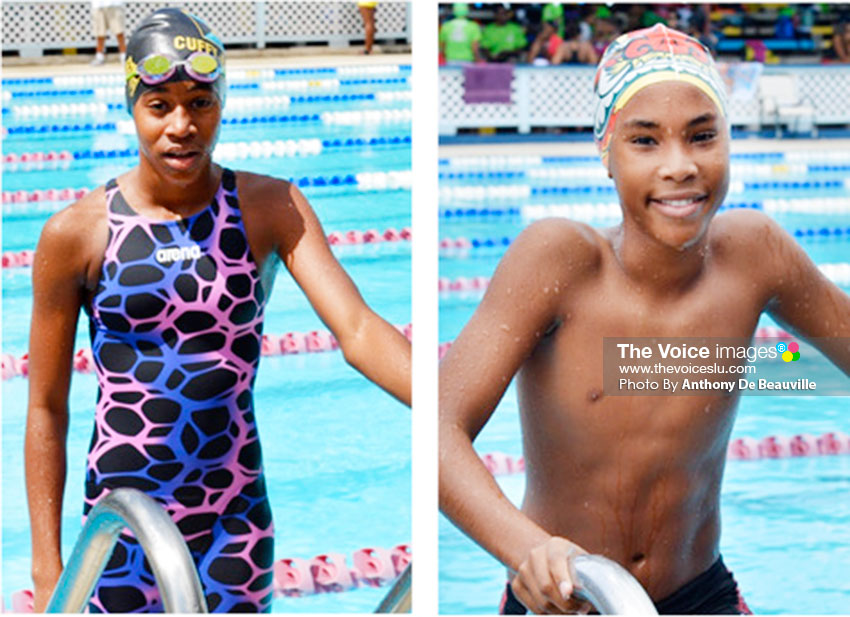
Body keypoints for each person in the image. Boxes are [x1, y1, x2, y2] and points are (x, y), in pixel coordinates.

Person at [439, 24, 850, 615]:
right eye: (646, 141)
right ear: (607, 152)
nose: (680, 165)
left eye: (702, 136)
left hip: (702, 594)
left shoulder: (756, 254)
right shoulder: (560, 261)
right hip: (567, 599)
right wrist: (526, 549)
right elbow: (439, 427)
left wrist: (780, 366)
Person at [25, 8, 411, 613]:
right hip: (121, 529)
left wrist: (444, 405)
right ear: (132, 108)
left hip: (234, 522)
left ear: (222, 103)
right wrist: (48, 570)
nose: (182, 125)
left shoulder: (268, 207)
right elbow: (46, 408)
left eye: (201, 102)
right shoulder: (76, 234)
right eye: (159, 106)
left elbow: (358, 329)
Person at [90, 0, 127, 66]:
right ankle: (99, 57)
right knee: (100, 33)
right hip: (98, 5)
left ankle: (124, 56)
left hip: (114, 4)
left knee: (119, 32)